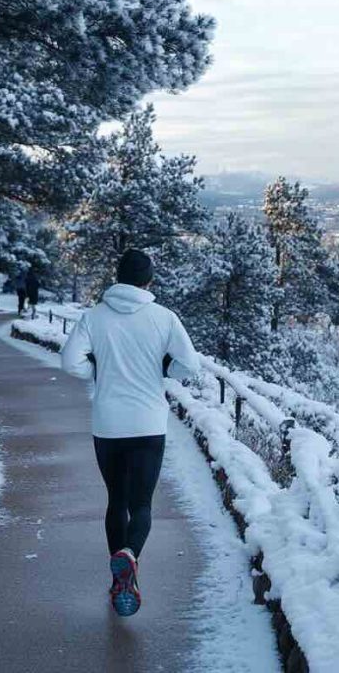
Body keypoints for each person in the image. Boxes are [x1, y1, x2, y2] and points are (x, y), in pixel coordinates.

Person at [59, 249, 200, 617]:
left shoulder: (93, 317)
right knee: (141, 505)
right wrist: (165, 368)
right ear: (149, 281)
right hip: (149, 425)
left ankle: (118, 577)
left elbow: (69, 360)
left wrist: (96, 369)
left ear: (117, 277)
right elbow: (191, 366)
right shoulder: (164, 318)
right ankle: (130, 556)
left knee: (116, 501)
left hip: (108, 424)